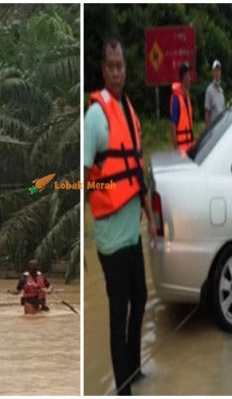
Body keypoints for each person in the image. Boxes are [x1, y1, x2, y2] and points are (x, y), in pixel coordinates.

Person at [84, 37, 157, 396]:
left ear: (126, 69)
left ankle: (134, 369)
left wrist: (149, 213)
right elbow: (81, 177)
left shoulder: (128, 109)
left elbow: (135, 168)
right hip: (110, 239)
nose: (116, 72)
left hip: (132, 233)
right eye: (111, 66)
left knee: (141, 299)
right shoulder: (95, 116)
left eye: (121, 66)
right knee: (118, 316)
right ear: (103, 69)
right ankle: (123, 390)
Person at [170, 62, 194, 151]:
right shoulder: (176, 98)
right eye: (188, 75)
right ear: (184, 77)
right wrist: (176, 149)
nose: (190, 78)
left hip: (189, 145)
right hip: (181, 148)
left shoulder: (187, 97)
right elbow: (173, 125)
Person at [204, 59, 225, 127]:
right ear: (212, 72)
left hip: (221, 127)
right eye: (215, 70)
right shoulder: (209, 90)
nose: (217, 73)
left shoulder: (221, 91)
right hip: (213, 129)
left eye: (219, 70)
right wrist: (208, 130)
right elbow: (207, 112)